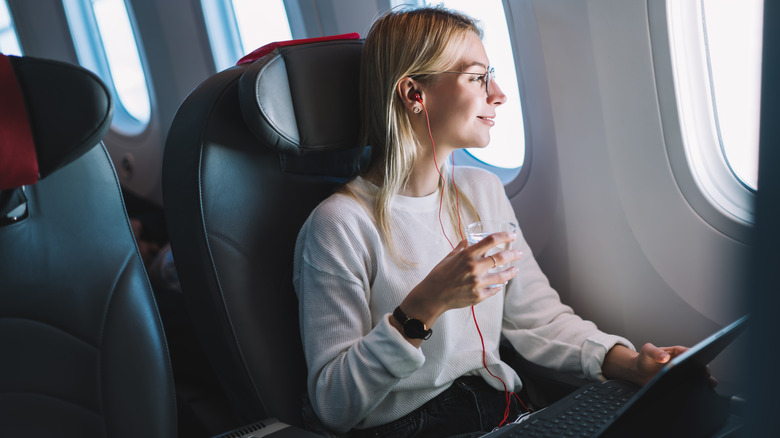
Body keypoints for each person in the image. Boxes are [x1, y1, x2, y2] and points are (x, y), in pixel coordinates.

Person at [292, 6, 685, 437]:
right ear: (413, 94)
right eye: (477, 77)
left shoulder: (482, 192)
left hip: (504, 410)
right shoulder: (338, 226)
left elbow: (537, 319)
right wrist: (425, 305)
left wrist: (630, 365)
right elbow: (333, 403)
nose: (497, 93)